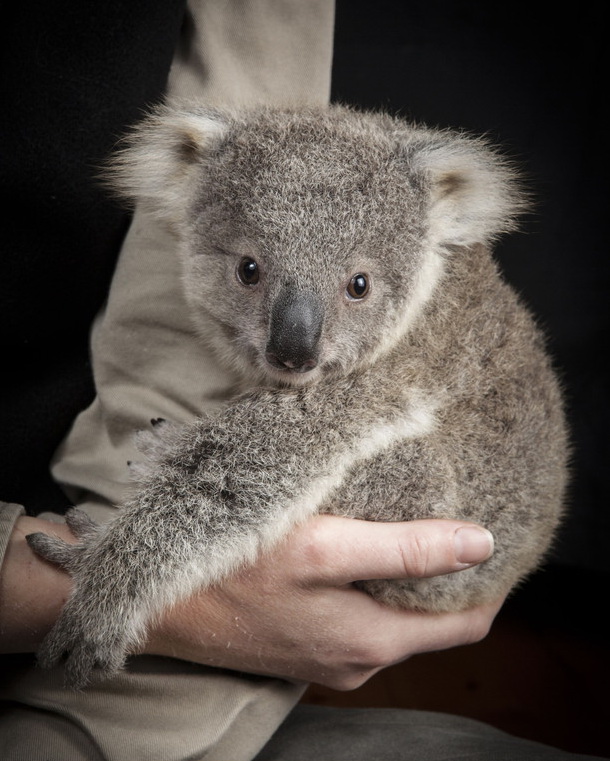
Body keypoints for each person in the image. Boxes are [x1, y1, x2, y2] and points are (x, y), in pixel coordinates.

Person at [0, 2, 605, 759]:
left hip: (453, 513)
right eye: (251, 271)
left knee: (284, 428)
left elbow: (274, 449)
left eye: (356, 287)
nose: (298, 339)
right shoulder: (224, 182)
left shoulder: (422, 293)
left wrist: (122, 574)